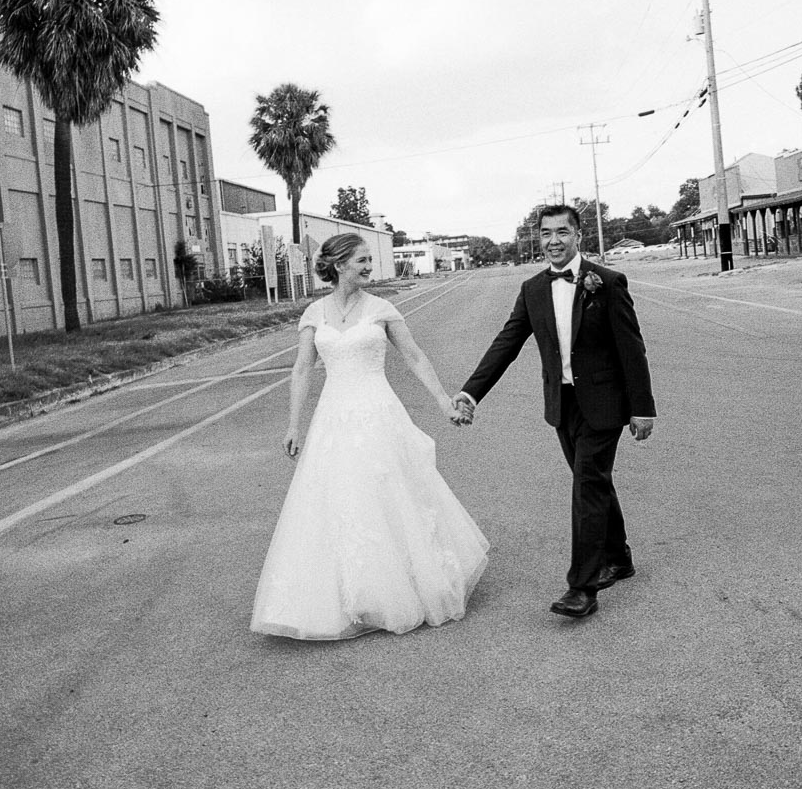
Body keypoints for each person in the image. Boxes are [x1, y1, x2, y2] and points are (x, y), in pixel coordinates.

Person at [251, 233, 488, 640]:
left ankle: (410, 586)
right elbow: (302, 370)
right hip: (334, 417)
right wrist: (294, 424)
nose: (368, 267)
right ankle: (354, 596)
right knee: (343, 498)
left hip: (380, 411)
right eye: (361, 260)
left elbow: (414, 356)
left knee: (390, 491)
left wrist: (443, 401)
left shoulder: (382, 308)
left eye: (368, 260)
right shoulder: (313, 314)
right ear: (339, 264)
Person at [456, 205, 656, 619]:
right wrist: (472, 393)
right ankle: (619, 558)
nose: (553, 241)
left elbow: (631, 348)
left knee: (586, 485)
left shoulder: (609, 283)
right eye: (546, 233)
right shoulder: (532, 289)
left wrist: (642, 408)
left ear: (579, 235)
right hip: (562, 405)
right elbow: (506, 343)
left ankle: (582, 588)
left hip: (605, 404)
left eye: (562, 232)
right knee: (594, 483)